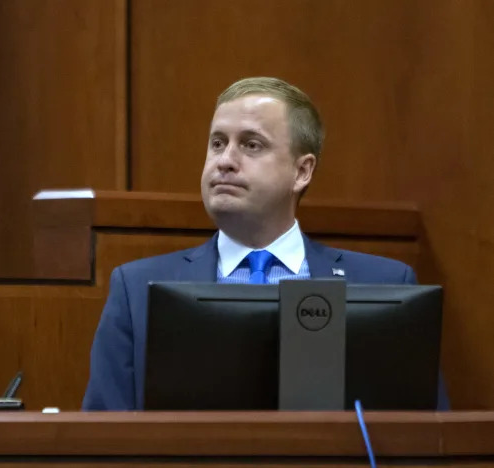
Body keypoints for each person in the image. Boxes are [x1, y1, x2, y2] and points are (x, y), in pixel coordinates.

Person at [82, 77, 444, 410]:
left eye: (251, 145)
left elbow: (426, 442)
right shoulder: (135, 290)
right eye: (218, 143)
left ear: (301, 171)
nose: (225, 161)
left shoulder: (385, 285)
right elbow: (102, 444)